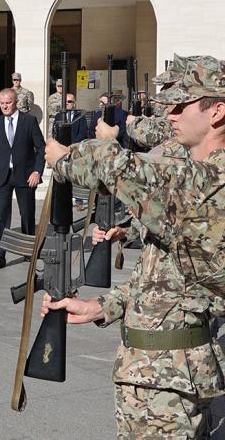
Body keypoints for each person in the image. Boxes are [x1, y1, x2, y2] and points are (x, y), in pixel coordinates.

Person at [41, 55, 225, 438]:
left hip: (169, 382)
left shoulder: (210, 183)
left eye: (180, 104)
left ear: (217, 111)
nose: (169, 115)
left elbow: (118, 167)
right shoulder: (193, 176)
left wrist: (65, 158)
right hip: (153, 373)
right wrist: (102, 306)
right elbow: (170, 278)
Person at [0, 88, 45, 269]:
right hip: (1, 176)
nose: (5, 106)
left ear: (16, 102)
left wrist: (37, 171)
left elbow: (41, 148)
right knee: (1, 216)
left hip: (25, 176)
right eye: (1, 103)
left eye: (8, 102)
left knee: (27, 214)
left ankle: (28, 251)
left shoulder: (29, 121)